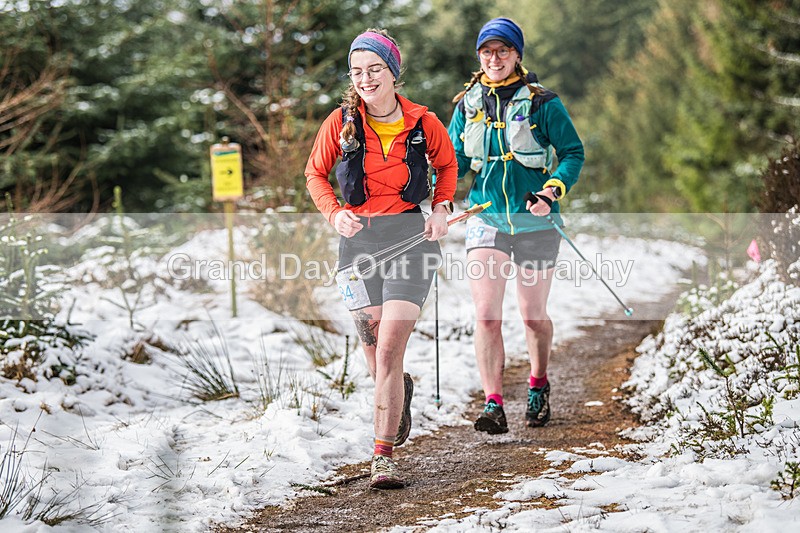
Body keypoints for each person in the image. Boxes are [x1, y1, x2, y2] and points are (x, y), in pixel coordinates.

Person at [305, 29, 457, 489]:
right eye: (357, 71)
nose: (366, 79)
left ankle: (382, 458)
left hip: (411, 239)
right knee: (375, 358)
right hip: (357, 245)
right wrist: (334, 214)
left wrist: (441, 208)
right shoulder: (341, 122)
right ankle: (397, 392)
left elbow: (447, 166)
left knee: (389, 349)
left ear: (393, 72)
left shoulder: (423, 122)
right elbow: (315, 174)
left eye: (374, 69)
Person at [447, 18, 584, 434]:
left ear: (516, 55)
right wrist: (437, 195)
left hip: (536, 221)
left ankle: (538, 384)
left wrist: (552, 191)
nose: (494, 59)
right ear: (479, 56)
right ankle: (493, 403)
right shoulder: (468, 104)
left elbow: (572, 153)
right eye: (487, 52)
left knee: (531, 315)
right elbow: (452, 160)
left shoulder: (543, 103)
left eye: (503, 50)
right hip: (486, 218)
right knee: (487, 316)